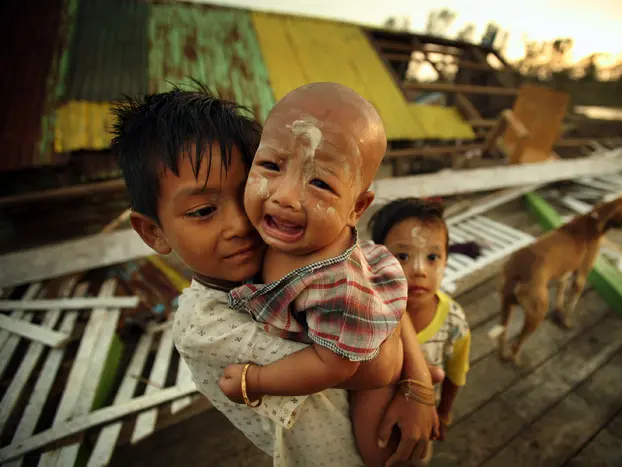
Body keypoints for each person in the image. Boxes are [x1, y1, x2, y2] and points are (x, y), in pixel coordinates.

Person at [111, 86, 435, 467]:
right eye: (202, 211)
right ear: (153, 232)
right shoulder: (204, 327)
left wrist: (421, 388)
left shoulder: (286, 241)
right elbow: (375, 365)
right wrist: (413, 374)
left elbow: (376, 286)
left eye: (246, 184)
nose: (241, 224)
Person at [217, 82, 434, 465]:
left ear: (357, 207)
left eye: (320, 183)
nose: (285, 195)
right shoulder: (271, 233)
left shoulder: (336, 287)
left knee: (379, 453)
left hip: (369, 372)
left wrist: (257, 380)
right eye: (270, 166)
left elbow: (333, 363)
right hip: (365, 337)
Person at [369, 198, 472, 443]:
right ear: (377, 258)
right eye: (402, 255)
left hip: (422, 420)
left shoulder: (455, 324)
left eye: (433, 257)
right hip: (371, 424)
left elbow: (455, 377)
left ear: (446, 260)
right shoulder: (367, 312)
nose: (419, 270)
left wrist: (444, 414)